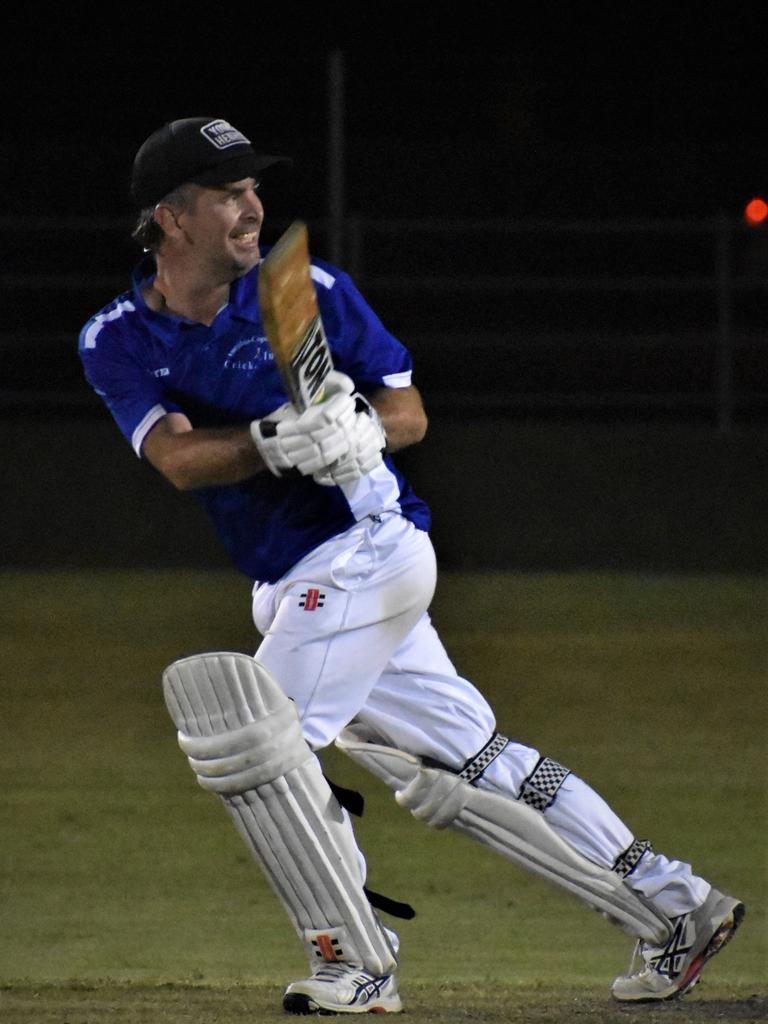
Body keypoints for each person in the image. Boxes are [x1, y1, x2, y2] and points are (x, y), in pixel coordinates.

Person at [79, 116, 744, 1015]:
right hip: (290, 578)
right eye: (227, 194)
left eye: (253, 189)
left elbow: (408, 412)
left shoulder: (305, 286)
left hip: (369, 547)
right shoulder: (116, 337)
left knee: (256, 742)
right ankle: (674, 905)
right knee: (460, 767)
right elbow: (177, 460)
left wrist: (359, 429)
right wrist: (277, 441)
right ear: (168, 217)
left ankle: (355, 958)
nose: (252, 208)